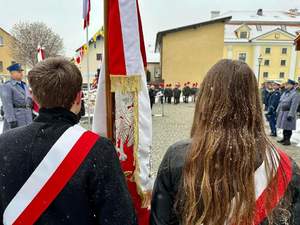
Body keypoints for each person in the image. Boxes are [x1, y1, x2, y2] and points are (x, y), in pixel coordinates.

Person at [150, 59, 300, 225]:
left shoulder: (177, 156)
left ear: (205, 100)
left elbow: (160, 220)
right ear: (253, 101)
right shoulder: (285, 168)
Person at [0, 58, 137, 225]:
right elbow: (119, 218)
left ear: (34, 98)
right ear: (79, 97)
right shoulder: (98, 149)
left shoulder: (4, 143)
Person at [0, 63, 33, 133]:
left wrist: (32, 112)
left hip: (28, 117)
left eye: (21, 71)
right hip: (17, 118)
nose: (21, 73)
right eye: (19, 72)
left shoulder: (24, 85)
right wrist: (11, 120)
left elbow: (29, 100)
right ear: (12, 73)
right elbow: (7, 104)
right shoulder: (7, 86)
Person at [277, 79, 300, 146]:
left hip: (288, 112)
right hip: (283, 112)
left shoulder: (295, 94)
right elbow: (280, 102)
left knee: (288, 128)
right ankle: (284, 138)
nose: (286, 85)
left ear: (291, 85)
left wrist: (291, 114)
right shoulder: (285, 92)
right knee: (284, 127)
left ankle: (287, 140)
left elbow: (294, 105)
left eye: (288, 84)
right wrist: (278, 110)